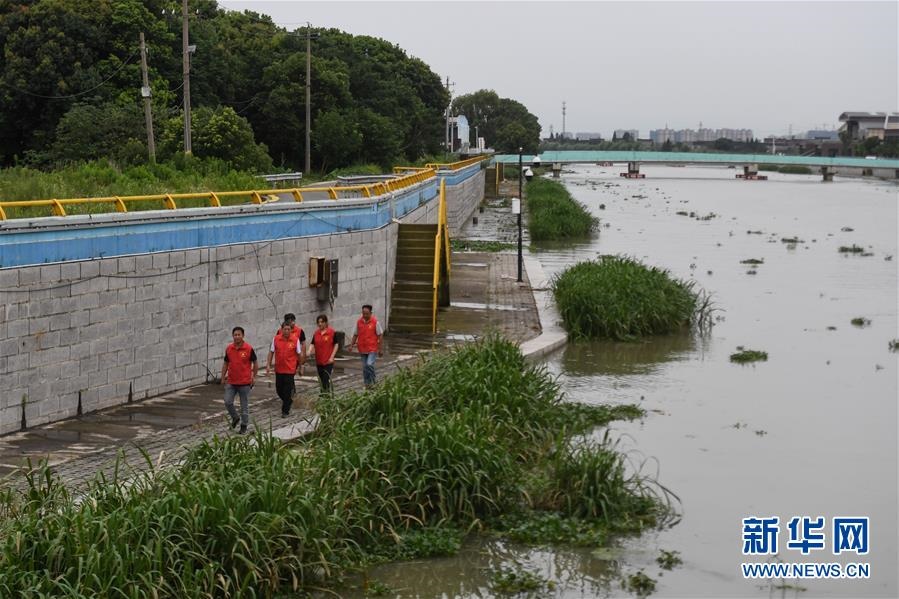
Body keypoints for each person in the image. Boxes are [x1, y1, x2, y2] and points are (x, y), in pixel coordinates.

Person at [220, 326, 258, 434]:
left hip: (244, 383)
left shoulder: (248, 349)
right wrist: (223, 377)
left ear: (243, 336)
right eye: (235, 335)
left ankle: (244, 425)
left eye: (239, 335)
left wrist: (253, 376)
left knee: (244, 405)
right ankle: (235, 417)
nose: (237, 337)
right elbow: (226, 363)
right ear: (232, 336)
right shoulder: (229, 349)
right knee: (227, 401)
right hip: (231, 381)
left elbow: (255, 363)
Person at [266, 321, 306, 416]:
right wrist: (268, 365)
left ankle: (285, 410)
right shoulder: (276, 339)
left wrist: (301, 366)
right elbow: (271, 352)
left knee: (287, 389)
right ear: (281, 330)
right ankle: (288, 400)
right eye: (285, 329)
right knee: (279, 389)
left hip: (290, 369)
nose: (287, 331)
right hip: (279, 369)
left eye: (289, 329)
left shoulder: (295, 340)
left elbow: (299, 355)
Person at [349, 304, 383, 387]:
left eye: (367, 313)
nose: (365, 315)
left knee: (369, 364)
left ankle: (373, 381)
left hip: (372, 348)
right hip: (362, 348)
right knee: (365, 367)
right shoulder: (359, 322)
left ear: (371, 313)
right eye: (363, 313)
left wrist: (380, 349)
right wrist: (351, 345)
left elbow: (380, 335)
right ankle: (367, 383)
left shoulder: (375, 322)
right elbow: (355, 334)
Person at [308, 314, 338, 395]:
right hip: (319, 361)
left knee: (325, 379)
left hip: (328, 361)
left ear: (326, 322)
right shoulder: (316, 333)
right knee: (322, 380)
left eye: (321, 322)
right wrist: (309, 351)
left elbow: (336, 344)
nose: (320, 324)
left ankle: (325, 396)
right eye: (318, 322)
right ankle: (326, 395)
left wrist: (332, 357)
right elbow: (312, 343)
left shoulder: (331, 332)